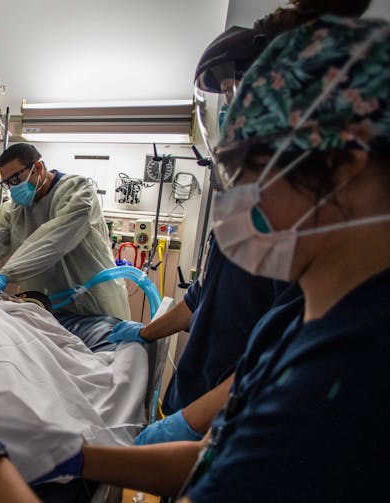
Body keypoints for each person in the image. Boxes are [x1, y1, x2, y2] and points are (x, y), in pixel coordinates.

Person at [0, 16, 390, 502]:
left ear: (343, 170)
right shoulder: (291, 325)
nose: (239, 204)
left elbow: (50, 242)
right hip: (50, 318)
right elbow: (213, 455)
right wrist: (79, 456)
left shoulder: (349, 379)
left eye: (252, 172)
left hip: (93, 317)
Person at [108, 0, 369, 446]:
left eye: (241, 93)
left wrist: (191, 423)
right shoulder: (244, 208)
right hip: (200, 394)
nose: (232, 110)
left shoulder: (321, 227)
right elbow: (202, 300)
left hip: (235, 424)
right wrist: (142, 333)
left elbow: (286, 359)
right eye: (227, 96)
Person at [0, 142, 130, 320]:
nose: (13, 187)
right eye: (7, 183)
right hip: (45, 307)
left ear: (38, 168)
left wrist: (6, 274)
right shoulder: (15, 209)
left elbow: (52, 241)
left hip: (93, 304)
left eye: (16, 178)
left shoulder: (78, 193)